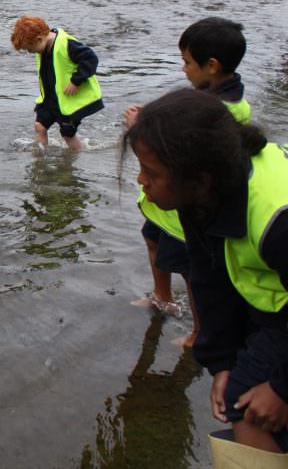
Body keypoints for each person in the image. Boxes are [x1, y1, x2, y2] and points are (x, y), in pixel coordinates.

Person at [124, 89, 288, 455]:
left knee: (247, 406)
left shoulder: (278, 220)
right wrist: (222, 362)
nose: (141, 180)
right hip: (273, 302)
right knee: (239, 384)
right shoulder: (202, 193)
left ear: (200, 180)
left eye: (151, 173)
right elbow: (208, 278)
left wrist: (281, 389)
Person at [124, 17, 251, 346]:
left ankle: (199, 331)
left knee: (192, 269)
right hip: (164, 207)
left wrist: (139, 129)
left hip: (185, 211)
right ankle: (161, 296)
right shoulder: (209, 99)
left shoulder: (225, 112)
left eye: (187, 62)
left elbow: (184, 150)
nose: (184, 70)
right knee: (152, 238)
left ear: (212, 66)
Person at [10, 15, 103, 150]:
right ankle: (40, 157)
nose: (30, 52)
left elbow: (90, 58)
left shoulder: (67, 44)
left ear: (39, 39)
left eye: (30, 49)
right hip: (50, 99)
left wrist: (76, 81)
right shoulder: (42, 46)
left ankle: (78, 154)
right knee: (39, 126)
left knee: (67, 135)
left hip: (68, 102)